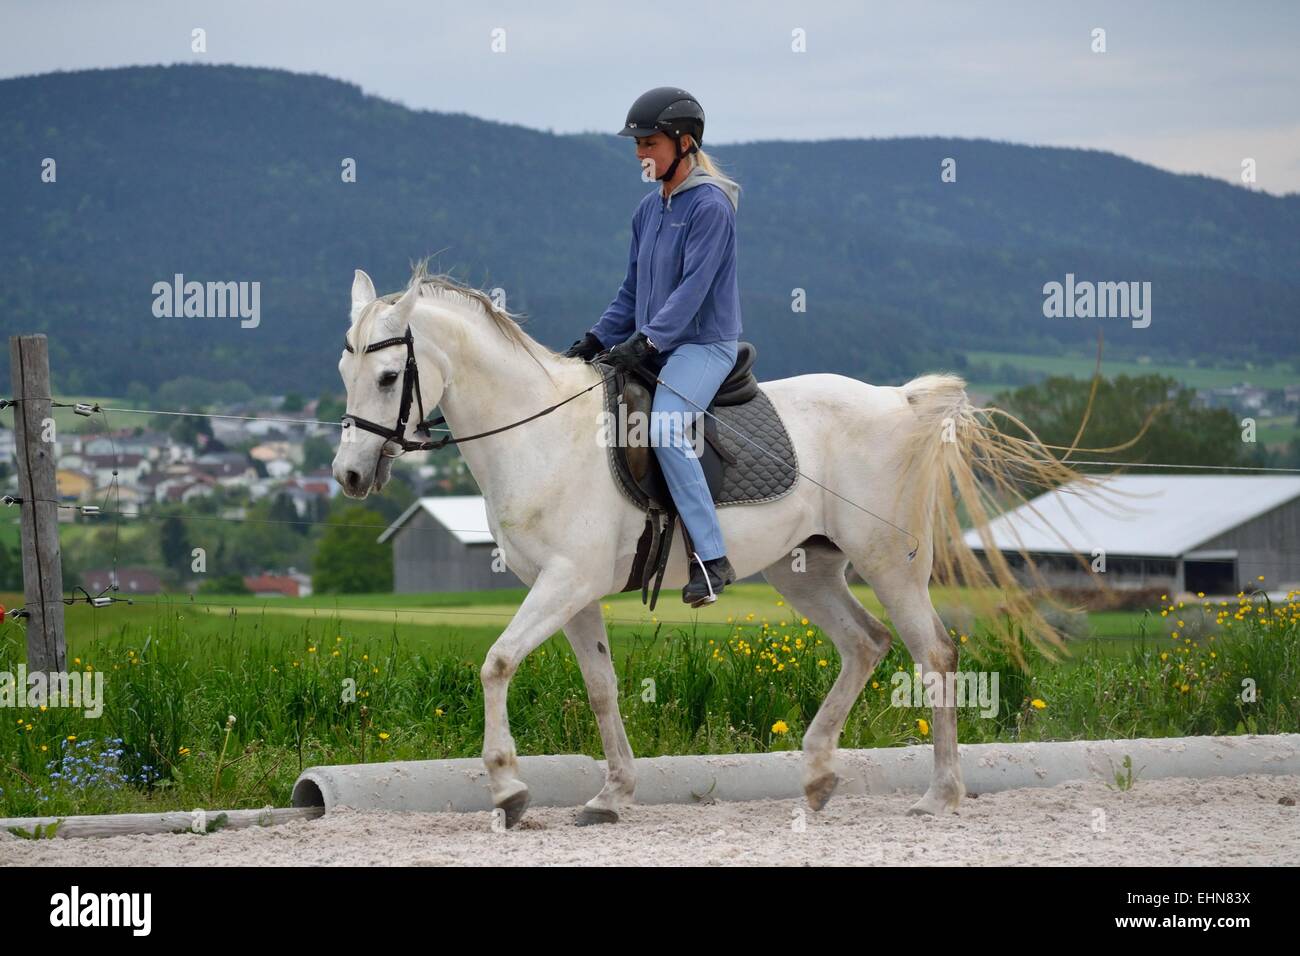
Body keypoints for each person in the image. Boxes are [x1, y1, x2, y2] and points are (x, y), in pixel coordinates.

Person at [563, 87, 743, 606]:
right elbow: (631, 290)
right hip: (655, 344)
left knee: (663, 427)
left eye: (650, 141)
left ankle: (711, 560)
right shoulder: (648, 209)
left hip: (703, 347)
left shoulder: (711, 205)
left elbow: (693, 291)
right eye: (638, 143)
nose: (641, 152)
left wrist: (646, 341)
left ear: (685, 143)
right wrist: (598, 337)